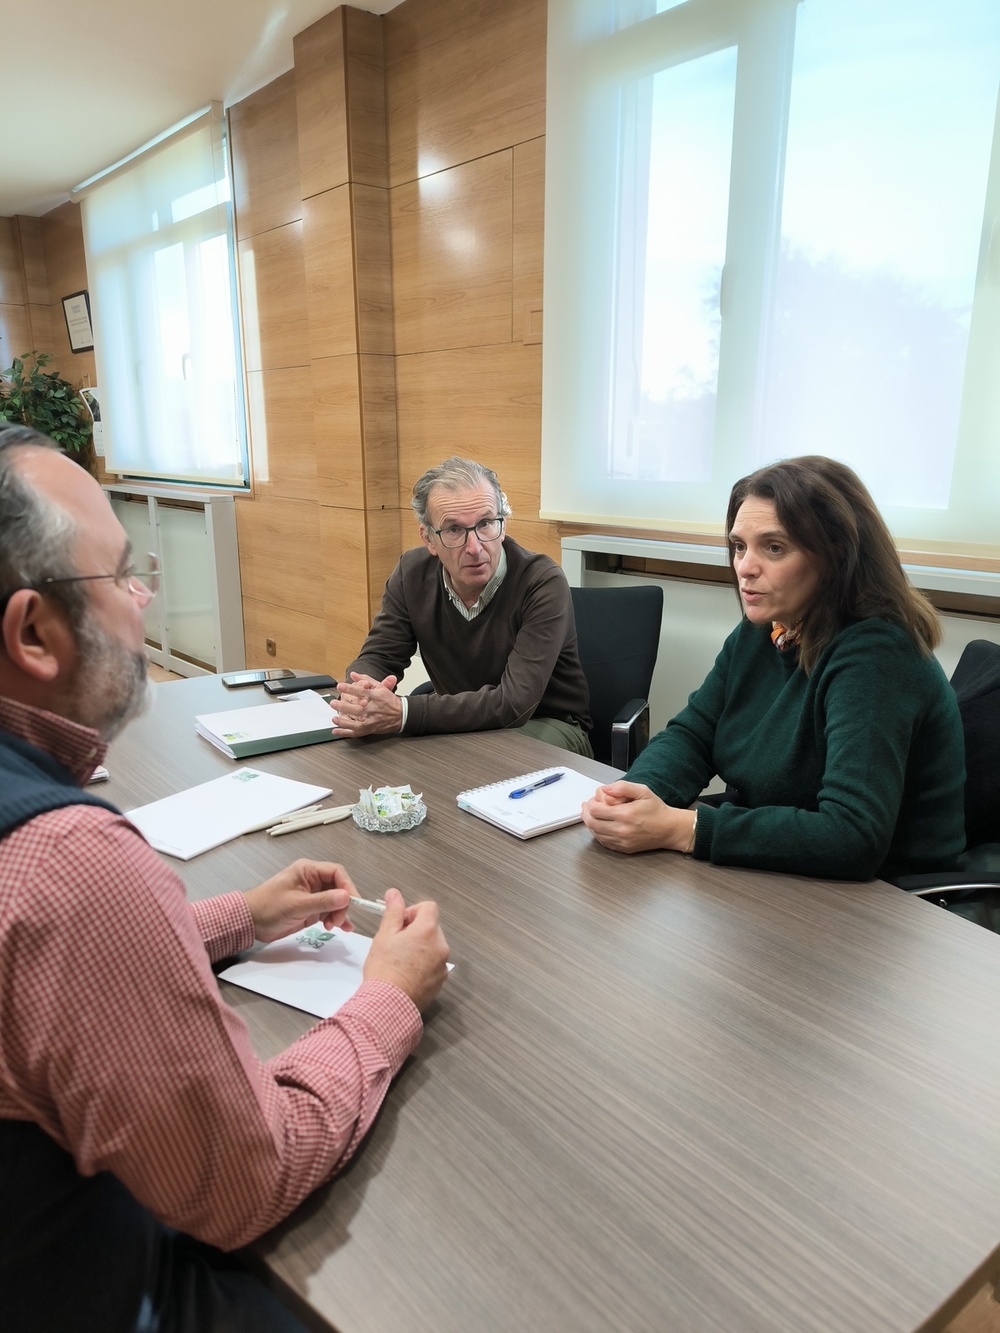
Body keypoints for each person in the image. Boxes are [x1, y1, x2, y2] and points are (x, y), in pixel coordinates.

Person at [0, 426, 450, 1332]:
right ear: (35, 631)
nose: (143, 601)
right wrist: (388, 999)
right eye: (124, 575)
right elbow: (245, 1176)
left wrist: (238, 915)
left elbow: (41, 971)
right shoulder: (69, 863)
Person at [582, 455, 966, 882]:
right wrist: (635, 796)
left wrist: (684, 828)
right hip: (781, 862)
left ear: (836, 554)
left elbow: (853, 835)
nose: (745, 567)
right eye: (739, 546)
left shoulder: (878, 655)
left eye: (774, 547)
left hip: (885, 901)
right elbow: (694, 735)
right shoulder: (769, 627)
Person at [334, 457, 593, 755]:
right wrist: (362, 692)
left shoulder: (542, 581)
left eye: (485, 524)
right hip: (464, 723)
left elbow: (514, 703)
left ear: (503, 525)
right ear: (429, 539)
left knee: (459, 761)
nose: (475, 547)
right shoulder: (411, 573)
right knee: (373, 749)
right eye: (454, 530)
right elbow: (380, 656)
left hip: (547, 724)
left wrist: (404, 712)